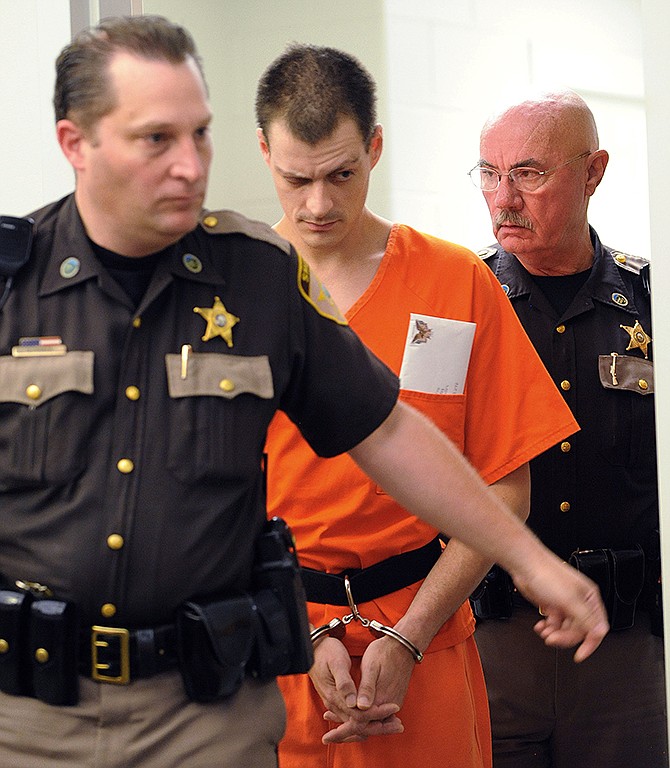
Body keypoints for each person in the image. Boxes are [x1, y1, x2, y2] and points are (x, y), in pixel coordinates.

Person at [0, 16, 607, 767]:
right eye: (158, 138)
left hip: (242, 687)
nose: (190, 165)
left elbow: (388, 432)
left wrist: (527, 564)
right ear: (75, 144)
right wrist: (305, 628)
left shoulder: (257, 277)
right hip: (60, 697)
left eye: (199, 136)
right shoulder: (25, 286)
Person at [256, 45, 589, 768]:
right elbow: (205, 500)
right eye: (296, 179)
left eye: (342, 174)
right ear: (263, 153)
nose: (319, 204)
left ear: (376, 148)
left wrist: (408, 636)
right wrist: (303, 636)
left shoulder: (453, 279)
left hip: (428, 635)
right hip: (276, 645)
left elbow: (507, 487)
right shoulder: (233, 295)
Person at [469, 90, 666, 768]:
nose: (503, 199)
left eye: (528, 173)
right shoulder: (458, 304)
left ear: (593, 172)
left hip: (625, 647)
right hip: (492, 638)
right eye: (489, 174)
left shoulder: (650, 304)